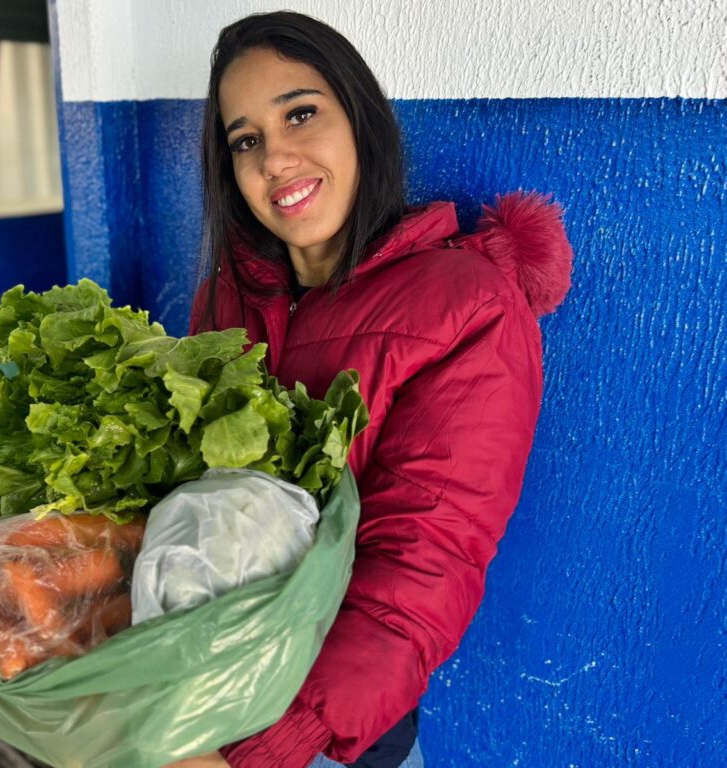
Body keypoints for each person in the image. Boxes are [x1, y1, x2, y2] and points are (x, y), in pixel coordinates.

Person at [167, 11, 572, 768]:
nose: (275, 158)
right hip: (191, 696)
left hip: (322, 739)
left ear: (361, 118)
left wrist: (256, 753)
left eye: (301, 114)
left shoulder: (468, 306)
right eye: (246, 140)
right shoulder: (226, 299)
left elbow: (420, 569)